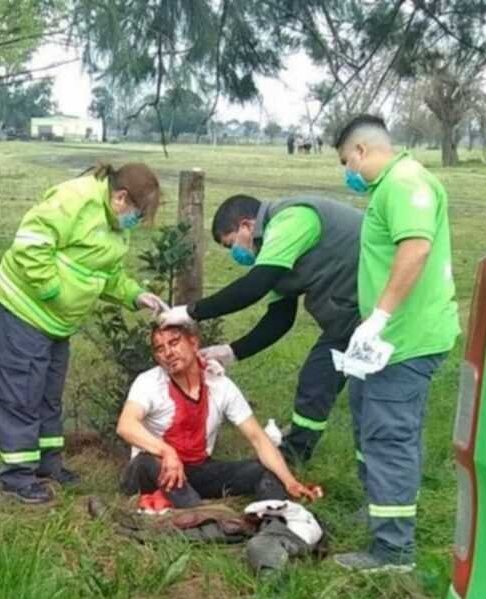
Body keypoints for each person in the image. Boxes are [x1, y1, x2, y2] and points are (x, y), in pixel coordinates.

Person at [0, 163, 166, 504]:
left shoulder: (116, 228)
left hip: (57, 323)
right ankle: (18, 477)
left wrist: (135, 295)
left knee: (47, 395)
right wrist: (52, 291)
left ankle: (47, 465)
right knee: (20, 393)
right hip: (21, 309)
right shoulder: (75, 199)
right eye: (139, 214)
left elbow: (107, 275)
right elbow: (31, 244)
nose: (138, 222)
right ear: (121, 197)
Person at [330, 114, 460, 572]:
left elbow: (416, 247)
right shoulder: (389, 187)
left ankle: (393, 550)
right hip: (386, 341)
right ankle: (380, 508)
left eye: (346, 162)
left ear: (361, 151)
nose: (348, 172)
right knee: (370, 422)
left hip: (406, 339)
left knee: (389, 436)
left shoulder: (404, 183)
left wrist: (381, 315)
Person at [159, 193, 363, 464]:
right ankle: (293, 455)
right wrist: (232, 352)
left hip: (386, 307)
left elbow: (255, 286)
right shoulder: (277, 251)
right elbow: (280, 318)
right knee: (316, 380)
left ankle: (376, 468)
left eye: (231, 244)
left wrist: (190, 312)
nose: (235, 254)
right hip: (352, 316)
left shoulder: (293, 219)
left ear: (247, 226)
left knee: (372, 398)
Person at [116, 324, 322, 510]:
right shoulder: (149, 382)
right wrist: (167, 452)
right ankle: (200, 513)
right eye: (160, 349)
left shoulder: (219, 385)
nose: (168, 353)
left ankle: (277, 518)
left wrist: (289, 481)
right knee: (149, 462)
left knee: (262, 469)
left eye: (174, 342)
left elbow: (258, 438)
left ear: (193, 343)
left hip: (196, 470)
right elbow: (126, 425)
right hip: (150, 471)